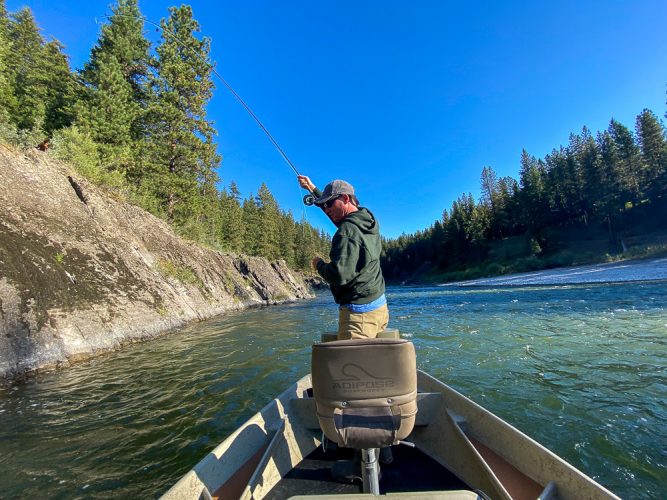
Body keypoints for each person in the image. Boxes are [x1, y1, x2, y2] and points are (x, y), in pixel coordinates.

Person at [297, 175, 389, 340]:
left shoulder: (347, 232)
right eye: (323, 206)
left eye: (330, 204)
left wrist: (319, 264)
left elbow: (338, 275)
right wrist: (312, 188)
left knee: (353, 365)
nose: (326, 209)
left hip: (359, 317)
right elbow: (342, 219)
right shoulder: (367, 218)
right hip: (379, 307)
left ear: (345, 198)